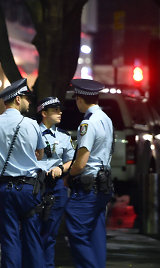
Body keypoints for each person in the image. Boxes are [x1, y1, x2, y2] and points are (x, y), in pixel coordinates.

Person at [0, 78, 46, 267]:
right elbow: (40, 153)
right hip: (29, 189)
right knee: (33, 239)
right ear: (18, 99)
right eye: (26, 98)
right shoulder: (32, 125)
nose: (29, 102)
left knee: (9, 240)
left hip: (4, 189)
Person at [64, 79, 114, 268]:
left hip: (88, 188)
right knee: (96, 233)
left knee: (76, 229)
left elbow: (81, 163)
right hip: (103, 186)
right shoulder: (106, 119)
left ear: (79, 98)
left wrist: (67, 175)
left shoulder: (88, 123)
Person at [36, 97, 75, 267]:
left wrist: (61, 167)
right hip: (35, 186)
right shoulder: (31, 133)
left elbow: (71, 160)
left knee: (50, 234)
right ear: (44, 113)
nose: (60, 113)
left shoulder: (64, 137)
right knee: (32, 232)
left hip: (55, 187)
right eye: (55, 110)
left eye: (60, 109)